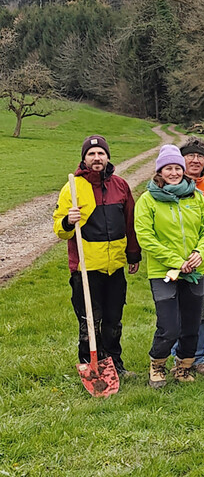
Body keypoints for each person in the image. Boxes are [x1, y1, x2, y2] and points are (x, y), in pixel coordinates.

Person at [52, 135, 141, 377]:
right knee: (89, 321)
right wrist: (68, 221)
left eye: (101, 153)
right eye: (91, 154)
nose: (96, 158)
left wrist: (133, 255)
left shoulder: (120, 185)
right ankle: (90, 366)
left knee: (113, 321)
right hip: (85, 267)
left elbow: (129, 222)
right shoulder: (72, 188)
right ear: (84, 159)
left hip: (114, 268)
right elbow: (59, 231)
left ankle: (114, 365)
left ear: (108, 157)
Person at [134, 145, 204, 389]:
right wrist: (176, 261)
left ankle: (183, 366)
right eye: (168, 168)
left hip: (194, 272)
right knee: (169, 326)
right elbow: (145, 236)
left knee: (192, 323)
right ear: (160, 171)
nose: (174, 172)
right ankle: (157, 365)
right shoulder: (148, 200)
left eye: (177, 168)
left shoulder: (196, 197)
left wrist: (199, 254)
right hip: (164, 273)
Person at [165, 137, 204, 376]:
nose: (195, 160)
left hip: (203, 263)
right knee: (174, 311)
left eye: (200, 156)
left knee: (199, 311)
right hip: (170, 262)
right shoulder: (165, 188)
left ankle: (197, 357)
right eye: (190, 155)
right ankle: (176, 357)